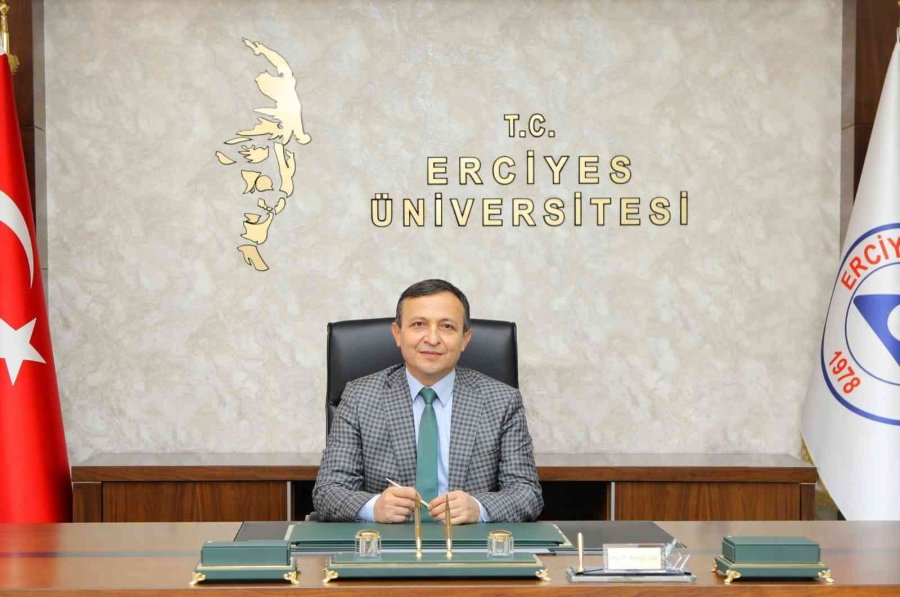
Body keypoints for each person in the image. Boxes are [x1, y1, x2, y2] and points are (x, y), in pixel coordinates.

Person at [313, 279, 543, 523]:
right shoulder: (360, 398)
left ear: (465, 339)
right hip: (388, 541)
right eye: (419, 324)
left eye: (447, 326)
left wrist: (478, 508)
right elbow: (328, 491)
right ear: (397, 334)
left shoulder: (502, 401)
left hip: (467, 540)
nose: (432, 339)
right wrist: (374, 507)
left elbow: (526, 492)